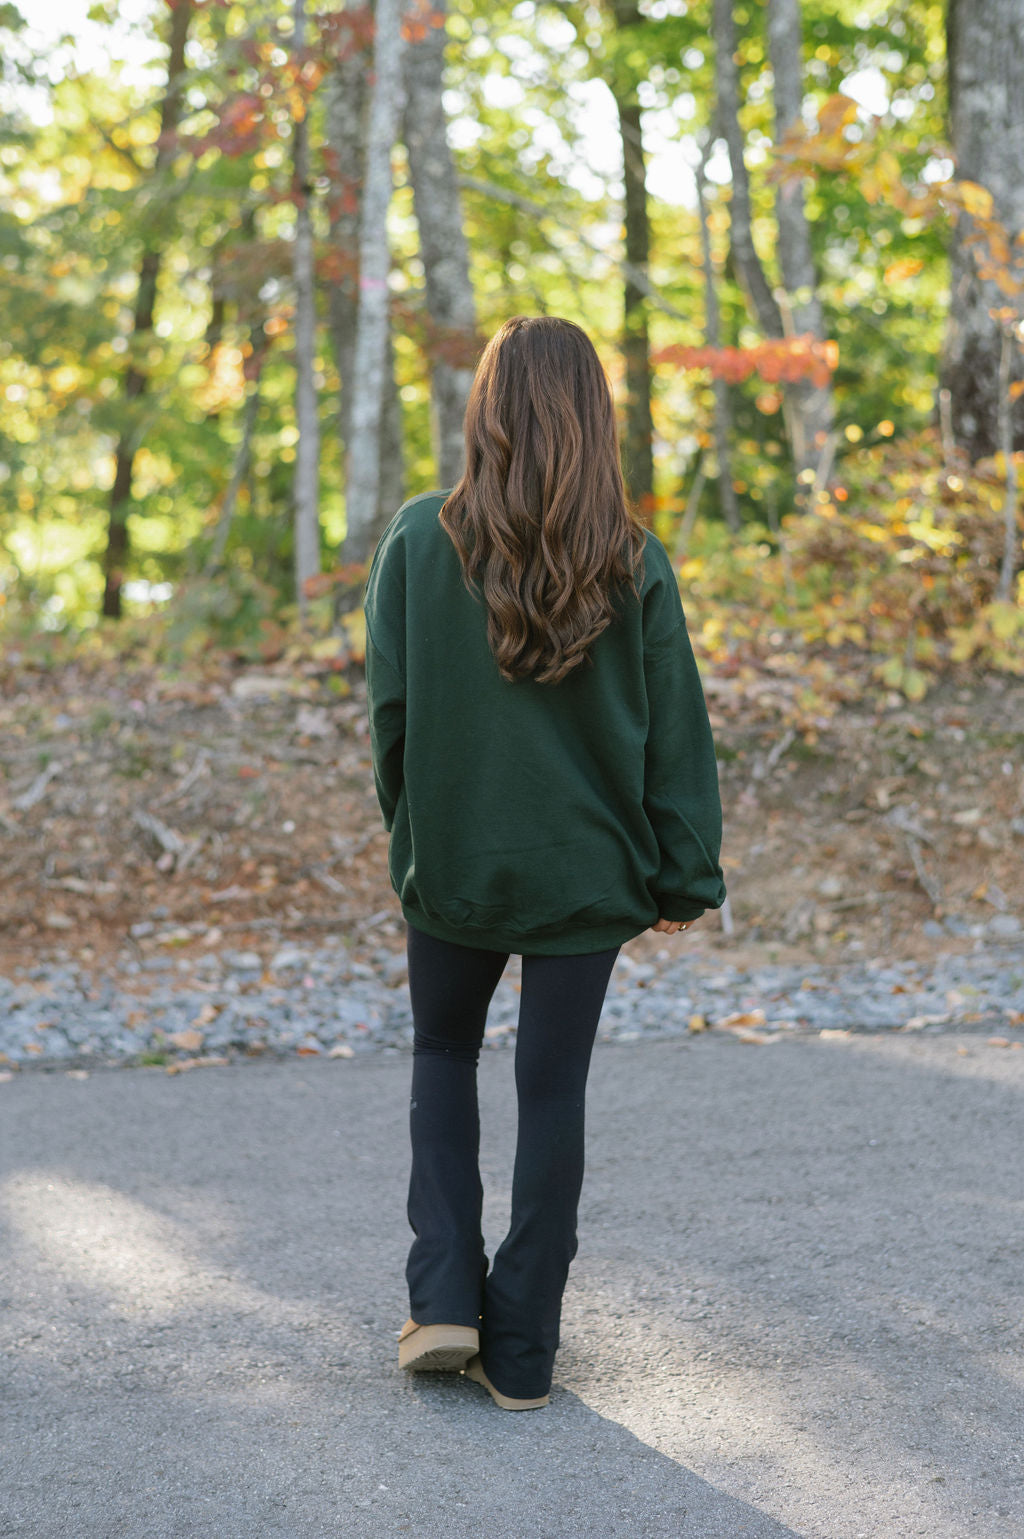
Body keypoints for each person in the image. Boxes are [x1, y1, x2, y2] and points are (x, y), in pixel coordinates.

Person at [364, 315, 725, 1411]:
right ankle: (522, 1351)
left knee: (442, 1056)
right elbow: (675, 733)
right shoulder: (629, 558)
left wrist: (417, 832)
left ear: (488, 414)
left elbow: (391, 718)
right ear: (593, 419)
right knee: (551, 1087)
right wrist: (681, 874)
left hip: (458, 856)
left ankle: (444, 1301)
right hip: (586, 869)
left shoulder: (419, 540)